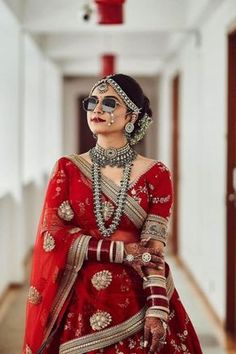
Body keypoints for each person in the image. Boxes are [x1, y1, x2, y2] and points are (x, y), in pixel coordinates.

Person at [22, 74, 202, 354]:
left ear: (131, 115)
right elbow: (53, 235)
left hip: (137, 292)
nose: (96, 109)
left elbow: (153, 248)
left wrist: (157, 308)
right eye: (92, 101)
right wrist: (122, 251)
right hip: (80, 294)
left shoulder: (156, 173)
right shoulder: (67, 169)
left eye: (109, 103)